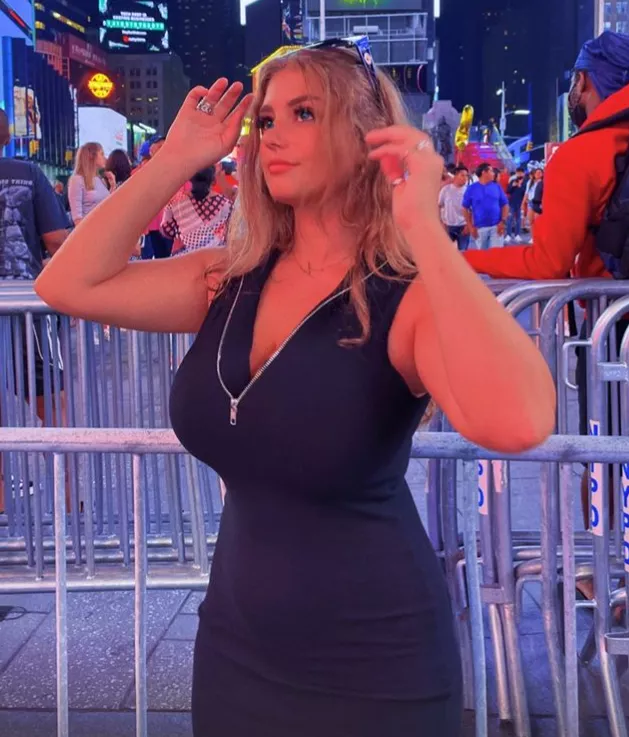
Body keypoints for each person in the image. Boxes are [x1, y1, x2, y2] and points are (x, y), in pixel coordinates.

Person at [34, 44, 555, 736]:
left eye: (304, 113)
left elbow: (518, 423)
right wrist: (173, 160)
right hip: (234, 655)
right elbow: (65, 283)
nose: (272, 135)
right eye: (267, 119)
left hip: (377, 670)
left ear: (367, 134)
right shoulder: (228, 278)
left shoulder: (402, 297)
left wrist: (423, 229)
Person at [463, 30, 629, 576]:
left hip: (615, 338)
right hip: (615, 325)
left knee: (608, 458)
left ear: (586, 81)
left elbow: (546, 263)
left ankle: (610, 579)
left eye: (575, 82)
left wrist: (461, 262)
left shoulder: (584, 154)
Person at [0, 108, 68, 510]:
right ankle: (69, 500)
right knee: (51, 403)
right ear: (7, 136)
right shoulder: (27, 174)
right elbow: (56, 239)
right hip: (25, 305)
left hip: (22, 305)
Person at [162, 166, 233, 256]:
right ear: (213, 180)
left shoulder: (175, 202)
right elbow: (230, 233)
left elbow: (167, 230)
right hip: (215, 257)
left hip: (185, 259)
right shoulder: (226, 204)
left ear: (190, 179)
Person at [462, 162, 509, 250]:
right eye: (491, 171)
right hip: (479, 229)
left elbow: (505, 204)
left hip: (496, 227)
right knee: (483, 256)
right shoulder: (471, 189)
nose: (494, 173)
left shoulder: (497, 187)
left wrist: (503, 222)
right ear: (484, 172)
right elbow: (465, 208)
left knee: (497, 255)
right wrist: (470, 226)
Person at [68, 143, 114, 225]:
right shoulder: (77, 180)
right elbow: (77, 218)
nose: (105, 158)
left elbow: (106, 205)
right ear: (92, 156)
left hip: (105, 226)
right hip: (91, 229)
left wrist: (113, 186)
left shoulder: (99, 179)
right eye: (102, 154)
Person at [142, 137, 172, 259]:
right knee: (159, 260)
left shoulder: (176, 168)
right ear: (151, 150)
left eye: (164, 146)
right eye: (159, 147)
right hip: (152, 224)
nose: (162, 149)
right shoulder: (142, 171)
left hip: (170, 223)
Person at [438, 164, 470, 251]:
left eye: (466, 176)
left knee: (463, 253)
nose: (465, 178)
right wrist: (441, 222)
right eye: (462, 175)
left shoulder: (469, 191)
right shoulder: (445, 190)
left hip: (463, 226)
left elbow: (473, 210)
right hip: (448, 226)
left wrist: (469, 225)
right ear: (455, 176)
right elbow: (439, 206)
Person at [506, 167, 526, 243]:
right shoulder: (512, 181)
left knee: (518, 219)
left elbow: (526, 193)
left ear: (523, 173)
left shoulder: (526, 182)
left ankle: (517, 235)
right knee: (509, 219)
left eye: (521, 173)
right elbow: (508, 191)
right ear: (516, 173)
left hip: (520, 203)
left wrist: (520, 186)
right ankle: (508, 235)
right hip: (512, 202)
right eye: (518, 173)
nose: (519, 174)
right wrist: (513, 186)